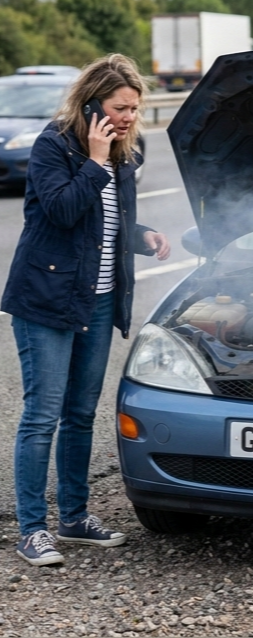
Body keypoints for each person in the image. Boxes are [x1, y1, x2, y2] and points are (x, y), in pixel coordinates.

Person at [1, 54, 170, 566]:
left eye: (134, 109)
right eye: (120, 108)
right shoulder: (55, 145)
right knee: (42, 415)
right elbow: (62, 211)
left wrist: (144, 237)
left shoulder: (125, 153)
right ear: (93, 103)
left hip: (96, 303)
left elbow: (108, 224)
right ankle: (32, 529)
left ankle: (74, 517)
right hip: (46, 301)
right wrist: (95, 160)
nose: (128, 118)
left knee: (79, 415)